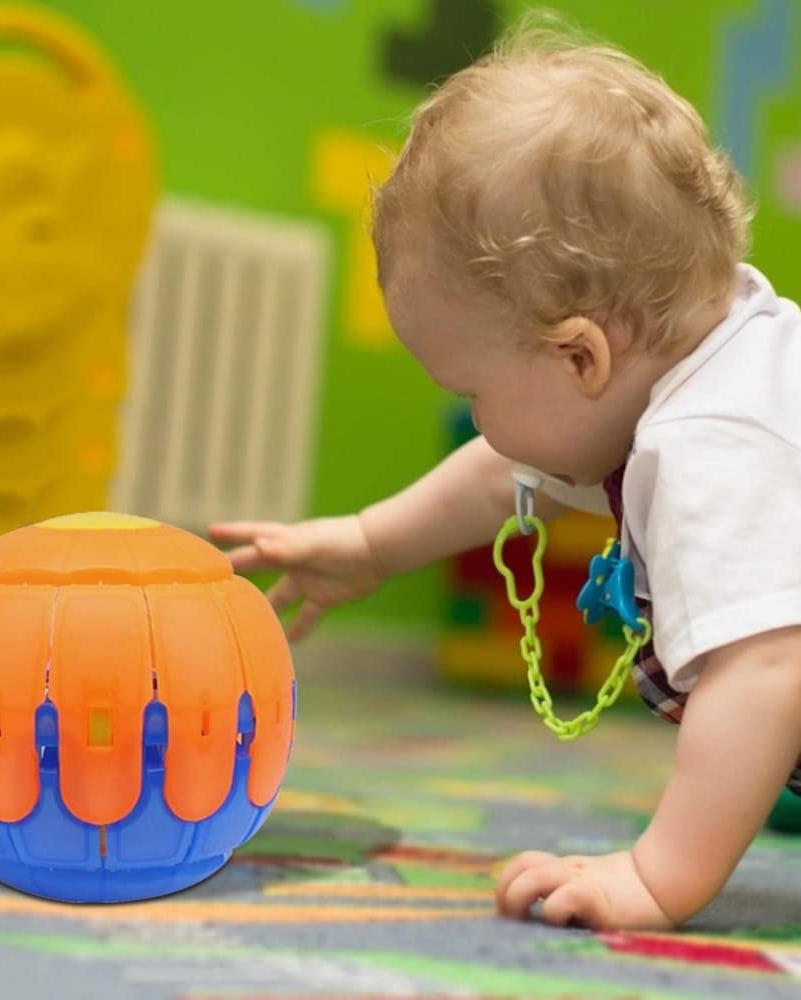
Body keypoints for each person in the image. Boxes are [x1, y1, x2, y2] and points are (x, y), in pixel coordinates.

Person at [209, 20, 801, 931]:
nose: (477, 419)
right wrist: (373, 543)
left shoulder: (713, 438)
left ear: (580, 358)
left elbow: (767, 664)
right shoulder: (710, 353)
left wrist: (656, 876)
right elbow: (503, 474)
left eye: (470, 390)